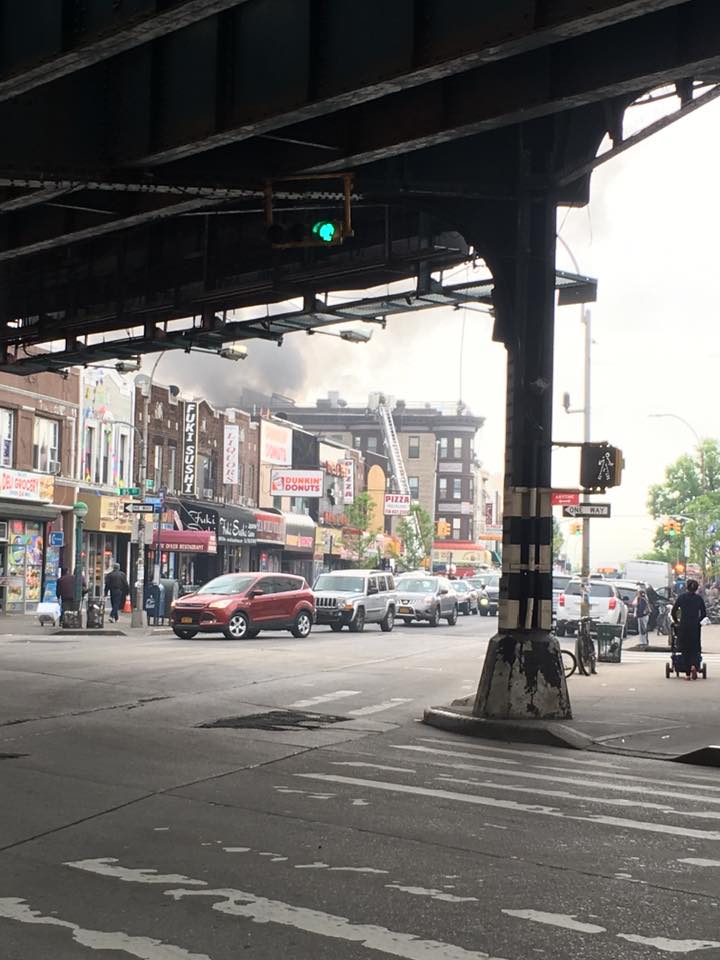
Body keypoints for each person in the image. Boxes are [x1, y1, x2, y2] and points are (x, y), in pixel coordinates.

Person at [671, 578, 707, 680]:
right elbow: (704, 614)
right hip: (695, 627)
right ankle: (694, 666)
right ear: (696, 588)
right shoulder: (699, 599)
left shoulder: (681, 598)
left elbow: (674, 611)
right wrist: (697, 621)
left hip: (684, 626)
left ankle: (687, 674)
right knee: (695, 649)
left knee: (685, 649)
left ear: (686, 587)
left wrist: (677, 621)